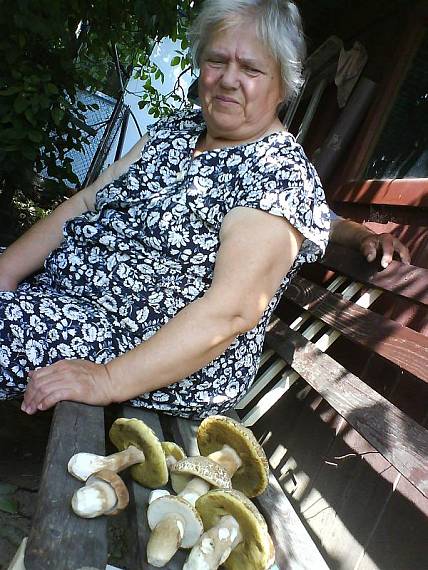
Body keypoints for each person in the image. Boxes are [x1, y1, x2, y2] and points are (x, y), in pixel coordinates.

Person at [0, 0, 409, 419]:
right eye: (216, 60)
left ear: (283, 86)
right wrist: (8, 270)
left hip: (135, 348)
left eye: (250, 69)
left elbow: (231, 310)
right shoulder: (179, 129)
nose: (228, 80)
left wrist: (106, 379)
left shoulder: (279, 175)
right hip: (66, 300)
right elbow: (89, 201)